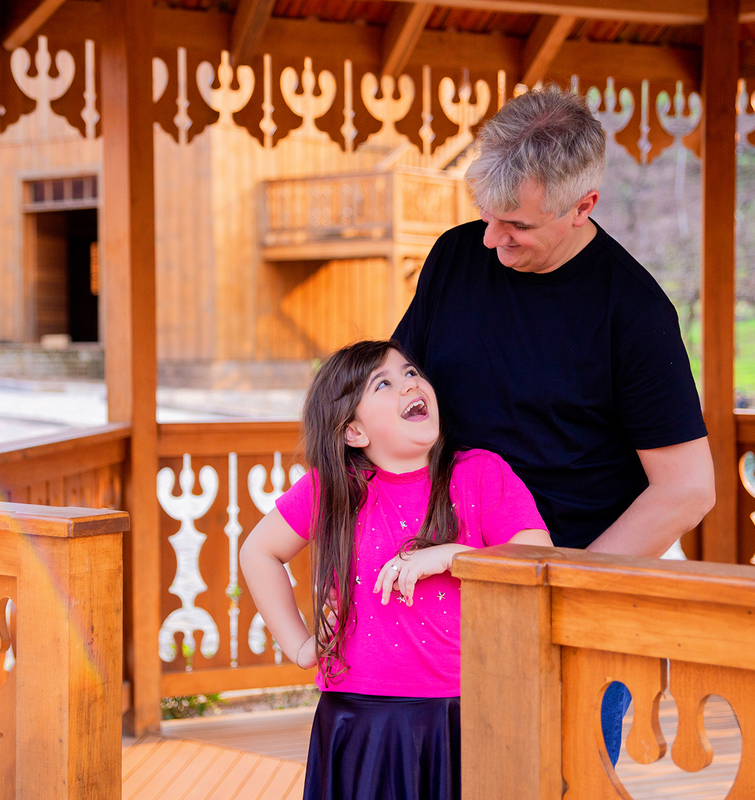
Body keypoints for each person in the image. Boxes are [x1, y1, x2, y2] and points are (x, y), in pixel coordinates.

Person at [392, 86, 716, 765]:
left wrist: (558, 587)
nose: (492, 238)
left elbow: (687, 488)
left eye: (517, 225)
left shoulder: (634, 312)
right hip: (441, 592)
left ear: (583, 207)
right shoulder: (457, 257)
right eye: (486, 215)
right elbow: (394, 393)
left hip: (567, 608)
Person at [240, 339, 551, 800]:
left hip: (465, 709)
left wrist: (448, 555)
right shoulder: (333, 489)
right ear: (353, 433)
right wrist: (302, 647)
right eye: (383, 383)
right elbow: (257, 552)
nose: (409, 385)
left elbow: (537, 557)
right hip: (358, 717)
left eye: (409, 373)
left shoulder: (480, 473)